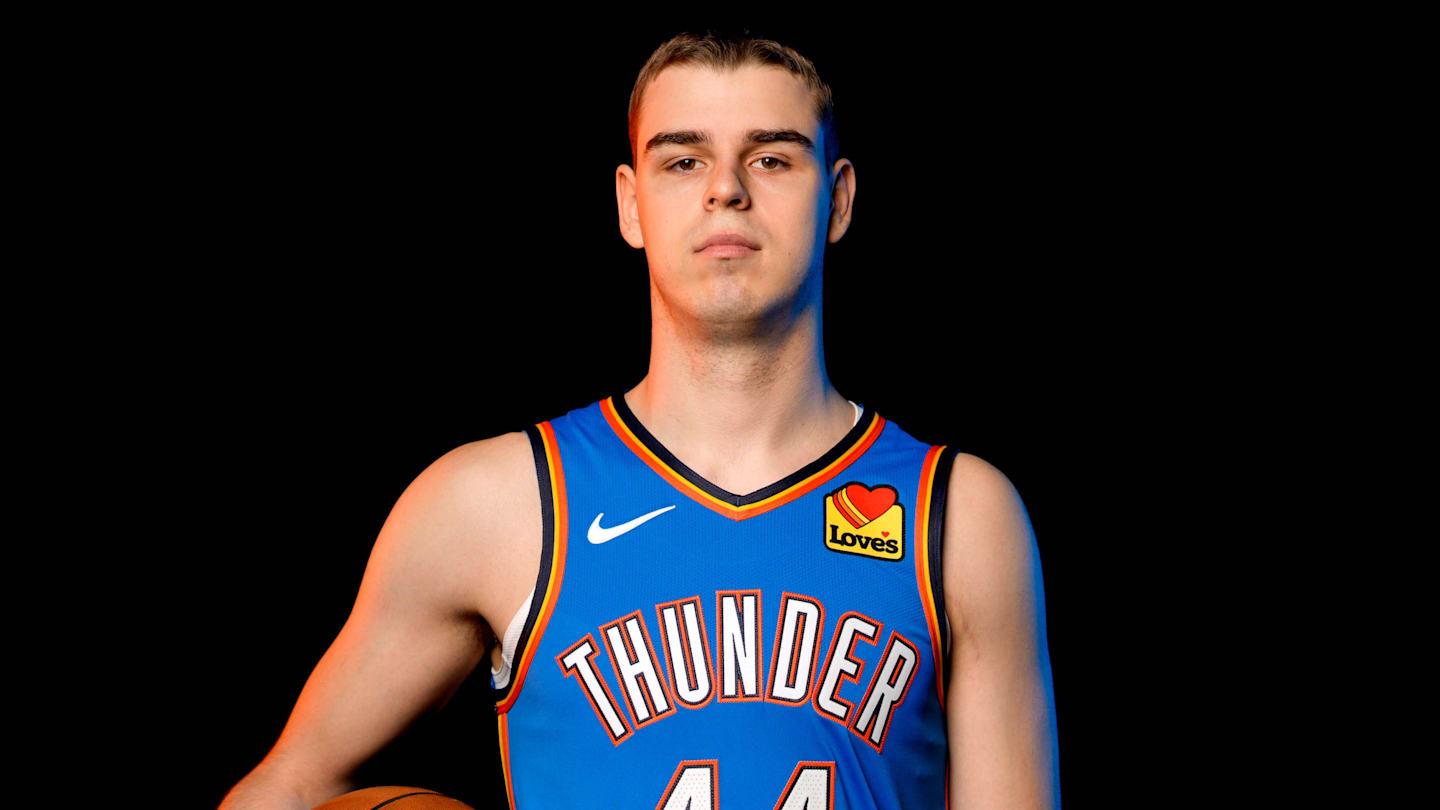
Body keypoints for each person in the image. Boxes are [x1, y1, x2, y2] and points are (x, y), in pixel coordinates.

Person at [220, 31, 1058, 810]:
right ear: (630, 205)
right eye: (683, 161)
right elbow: (288, 786)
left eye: (771, 158)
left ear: (838, 202)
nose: (725, 188)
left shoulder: (958, 515)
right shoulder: (493, 504)